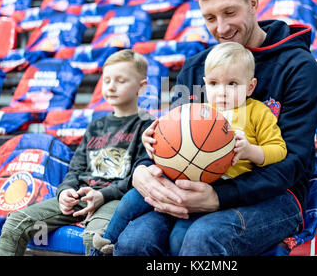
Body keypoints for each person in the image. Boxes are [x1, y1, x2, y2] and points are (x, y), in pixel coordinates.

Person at [115, 0, 317, 256]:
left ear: (253, 3)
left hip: (278, 195)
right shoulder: (197, 67)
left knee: (203, 238)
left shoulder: (298, 67)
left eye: (230, 13)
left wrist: (219, 197)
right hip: (195, 185)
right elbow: (173, 140)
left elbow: (295, 161)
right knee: (135, 241)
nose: (221, 28)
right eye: (210, 18)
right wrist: (142, 170)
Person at [91, 42, 287, 255]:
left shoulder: (258, 113)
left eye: (232, 84)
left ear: (250, 86)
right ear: (204, 85)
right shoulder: (197, 111)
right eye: (214, 83)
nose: (222, 92)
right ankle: (104, 244)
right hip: (178, 180)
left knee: (179, 239)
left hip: (216, 192)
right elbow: (167, 132)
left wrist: (251, 151)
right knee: (131, 199)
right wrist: (152, 139)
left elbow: (278, 150)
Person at [0, 49, 154, 256]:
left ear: (141, 87)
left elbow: (139, 177)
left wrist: (103, 195)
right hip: (81, 195)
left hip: (117, 199)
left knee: (95, 238)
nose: (111, 87)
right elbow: (75, 169)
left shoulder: (147, 126)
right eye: (106, 81)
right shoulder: (95, 126)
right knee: (16, 223)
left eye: (120, 81)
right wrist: (65, 192)